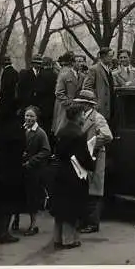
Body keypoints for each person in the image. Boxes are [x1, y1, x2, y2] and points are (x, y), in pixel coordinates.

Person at [50, 104, 96, 249]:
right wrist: (92, 164)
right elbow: (83, 156)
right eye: (82, 114)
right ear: (77, 116)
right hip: (74, 174)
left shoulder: (62, 131)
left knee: (60, 208)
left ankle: (57, 238)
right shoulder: (78, 134)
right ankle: (69, 240)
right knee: (72, 208)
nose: (84, 117)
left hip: (60, 172)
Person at [0, 100, 26, 244]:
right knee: (9, 203)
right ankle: (4, 233)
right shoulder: (16, 127)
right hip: (12, 170)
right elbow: (22, 147)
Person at [74, 90, 113, 234]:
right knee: (82, 189)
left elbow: (107, 136)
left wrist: (91, 145)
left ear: (87, 104)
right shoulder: (79, 117)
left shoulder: (98, 118)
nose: (78, 105)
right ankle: (83, 221)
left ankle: (92, 223)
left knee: (94, 191)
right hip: (82, 157)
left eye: (81, 103)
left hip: (95, 157)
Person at [11, 106, 51, 236]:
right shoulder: (20, 130)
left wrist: (32, 161)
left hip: (33, 171)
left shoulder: (40, 133)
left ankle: (33, 224)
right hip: (20, 169)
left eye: (31, 116)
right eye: (27, 116)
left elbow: (46, 151)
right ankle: (15, 221)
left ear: (36, 118)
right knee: (17, 196)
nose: (28, 118)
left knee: (32, 198)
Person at [52, 53, 86, 136]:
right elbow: (59, 93)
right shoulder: (64, 75)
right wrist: (69, 103)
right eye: (78, 61)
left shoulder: (82, 76)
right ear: (73, 63)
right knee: (63, 128)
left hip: (77, 107)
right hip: (65, 107)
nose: (81, 64)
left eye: (82, 61)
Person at [82, 47, 115, 122]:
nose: (111, 58)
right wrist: (96, 101)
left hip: (109, 104)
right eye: (110, 56)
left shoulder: (108, 69)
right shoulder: (94, 69)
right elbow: (87, 87)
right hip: (100, 106)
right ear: (103, 57)